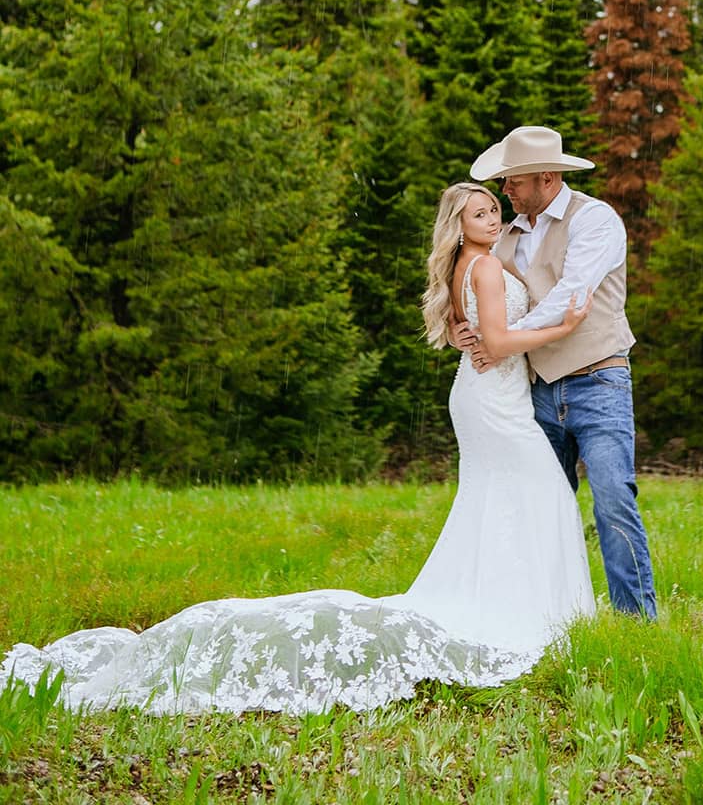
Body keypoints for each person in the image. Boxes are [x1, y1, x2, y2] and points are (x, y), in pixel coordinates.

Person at [0, 183, 596, 715]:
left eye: (494, 209)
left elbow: (476, 335)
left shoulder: (469, 264)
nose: (492, 219)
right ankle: (526, 614)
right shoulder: (487, 267)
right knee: (540, 493)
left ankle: (500, 599)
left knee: (500, 500)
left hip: (483, 395)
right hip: (493, 400)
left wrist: (501, 335)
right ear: (458, 224)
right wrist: (562, 328)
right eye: (479, 213)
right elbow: (496, 338)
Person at [457, 125, 657, 620]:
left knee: (612, 500)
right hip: (536, 391)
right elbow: (467, 288)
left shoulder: (596, 220)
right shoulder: (502, 238)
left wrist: (500, 340)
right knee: (541, 504)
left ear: (546, 177)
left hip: (599, 380)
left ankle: (637, 622)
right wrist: (461, 329)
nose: (504, 192)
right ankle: (547, 616)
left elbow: (573, 297)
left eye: (513, 182)